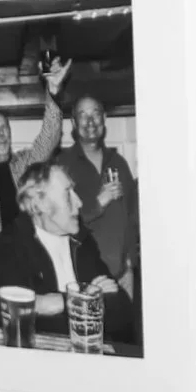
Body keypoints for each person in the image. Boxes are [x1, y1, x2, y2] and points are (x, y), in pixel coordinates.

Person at [0, 161, 141, 353]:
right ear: (40, 203)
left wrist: (62, 301)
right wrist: (90, 298)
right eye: (68, 194)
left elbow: (122, 311)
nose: (79, 203)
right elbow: (23, 321)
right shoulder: (12, 242)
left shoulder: (82, 240)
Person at [0, 57, 73, 279]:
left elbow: (49, 137)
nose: (2, 133)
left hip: (32, 262)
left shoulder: (26, 162)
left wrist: (52, 90)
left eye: (5, 128)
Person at [54, 94, 140, 281]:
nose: (90, 121)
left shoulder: (119, 162)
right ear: (74, 122)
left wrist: (130, 260)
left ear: (104, 118)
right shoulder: (62, 165)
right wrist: (98, 203)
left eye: (95, 113)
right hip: (84, 277)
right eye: (83, 115)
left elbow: (133, 214)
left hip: (123, 275)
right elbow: (59, 222)